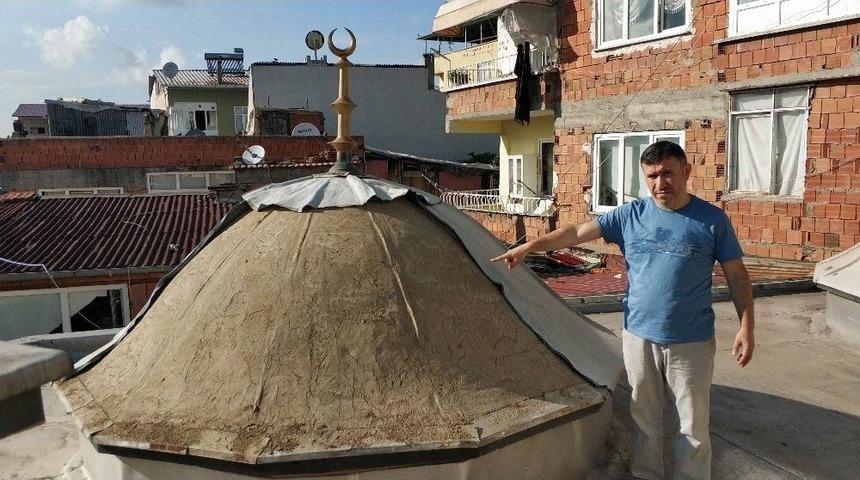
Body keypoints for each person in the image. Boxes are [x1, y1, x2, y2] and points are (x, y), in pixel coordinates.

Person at [491, 141, 754, 480]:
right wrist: (531, 245)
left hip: (691, 341)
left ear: (686, 172)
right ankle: (647, 475)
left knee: (692, 425)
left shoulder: (712, 221)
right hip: (638, 336)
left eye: (668, 174)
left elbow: (737, 275)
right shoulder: (630, 215)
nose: (661, 183)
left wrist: (747, 325)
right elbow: (575, 232)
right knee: (644, 417)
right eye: (652, 176)